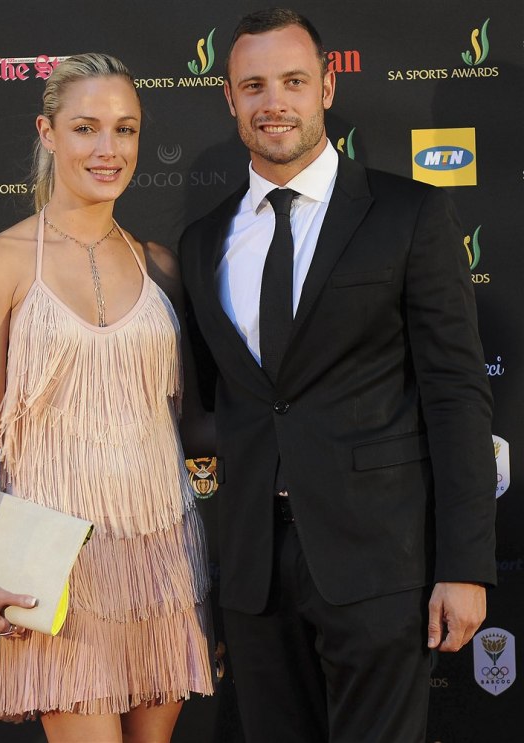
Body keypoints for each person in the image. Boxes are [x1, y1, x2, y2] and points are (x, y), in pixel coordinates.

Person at [179, 9, 496, 743]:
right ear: (230, 98)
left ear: (326, 86)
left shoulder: (408, 213)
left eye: (293, 81)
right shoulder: (203, 242)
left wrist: (465, 566)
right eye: (253, 85)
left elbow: (456, 397)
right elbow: (218, 404)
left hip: (382, 562)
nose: (274, 103)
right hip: (255, 574)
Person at [0, 52, 213, 743]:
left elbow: (186, 417)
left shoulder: (159, 264)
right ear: (48, 133)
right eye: (86, 128)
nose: (107, 149)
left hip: (161, 555)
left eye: (125, 129)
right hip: (56, 563)